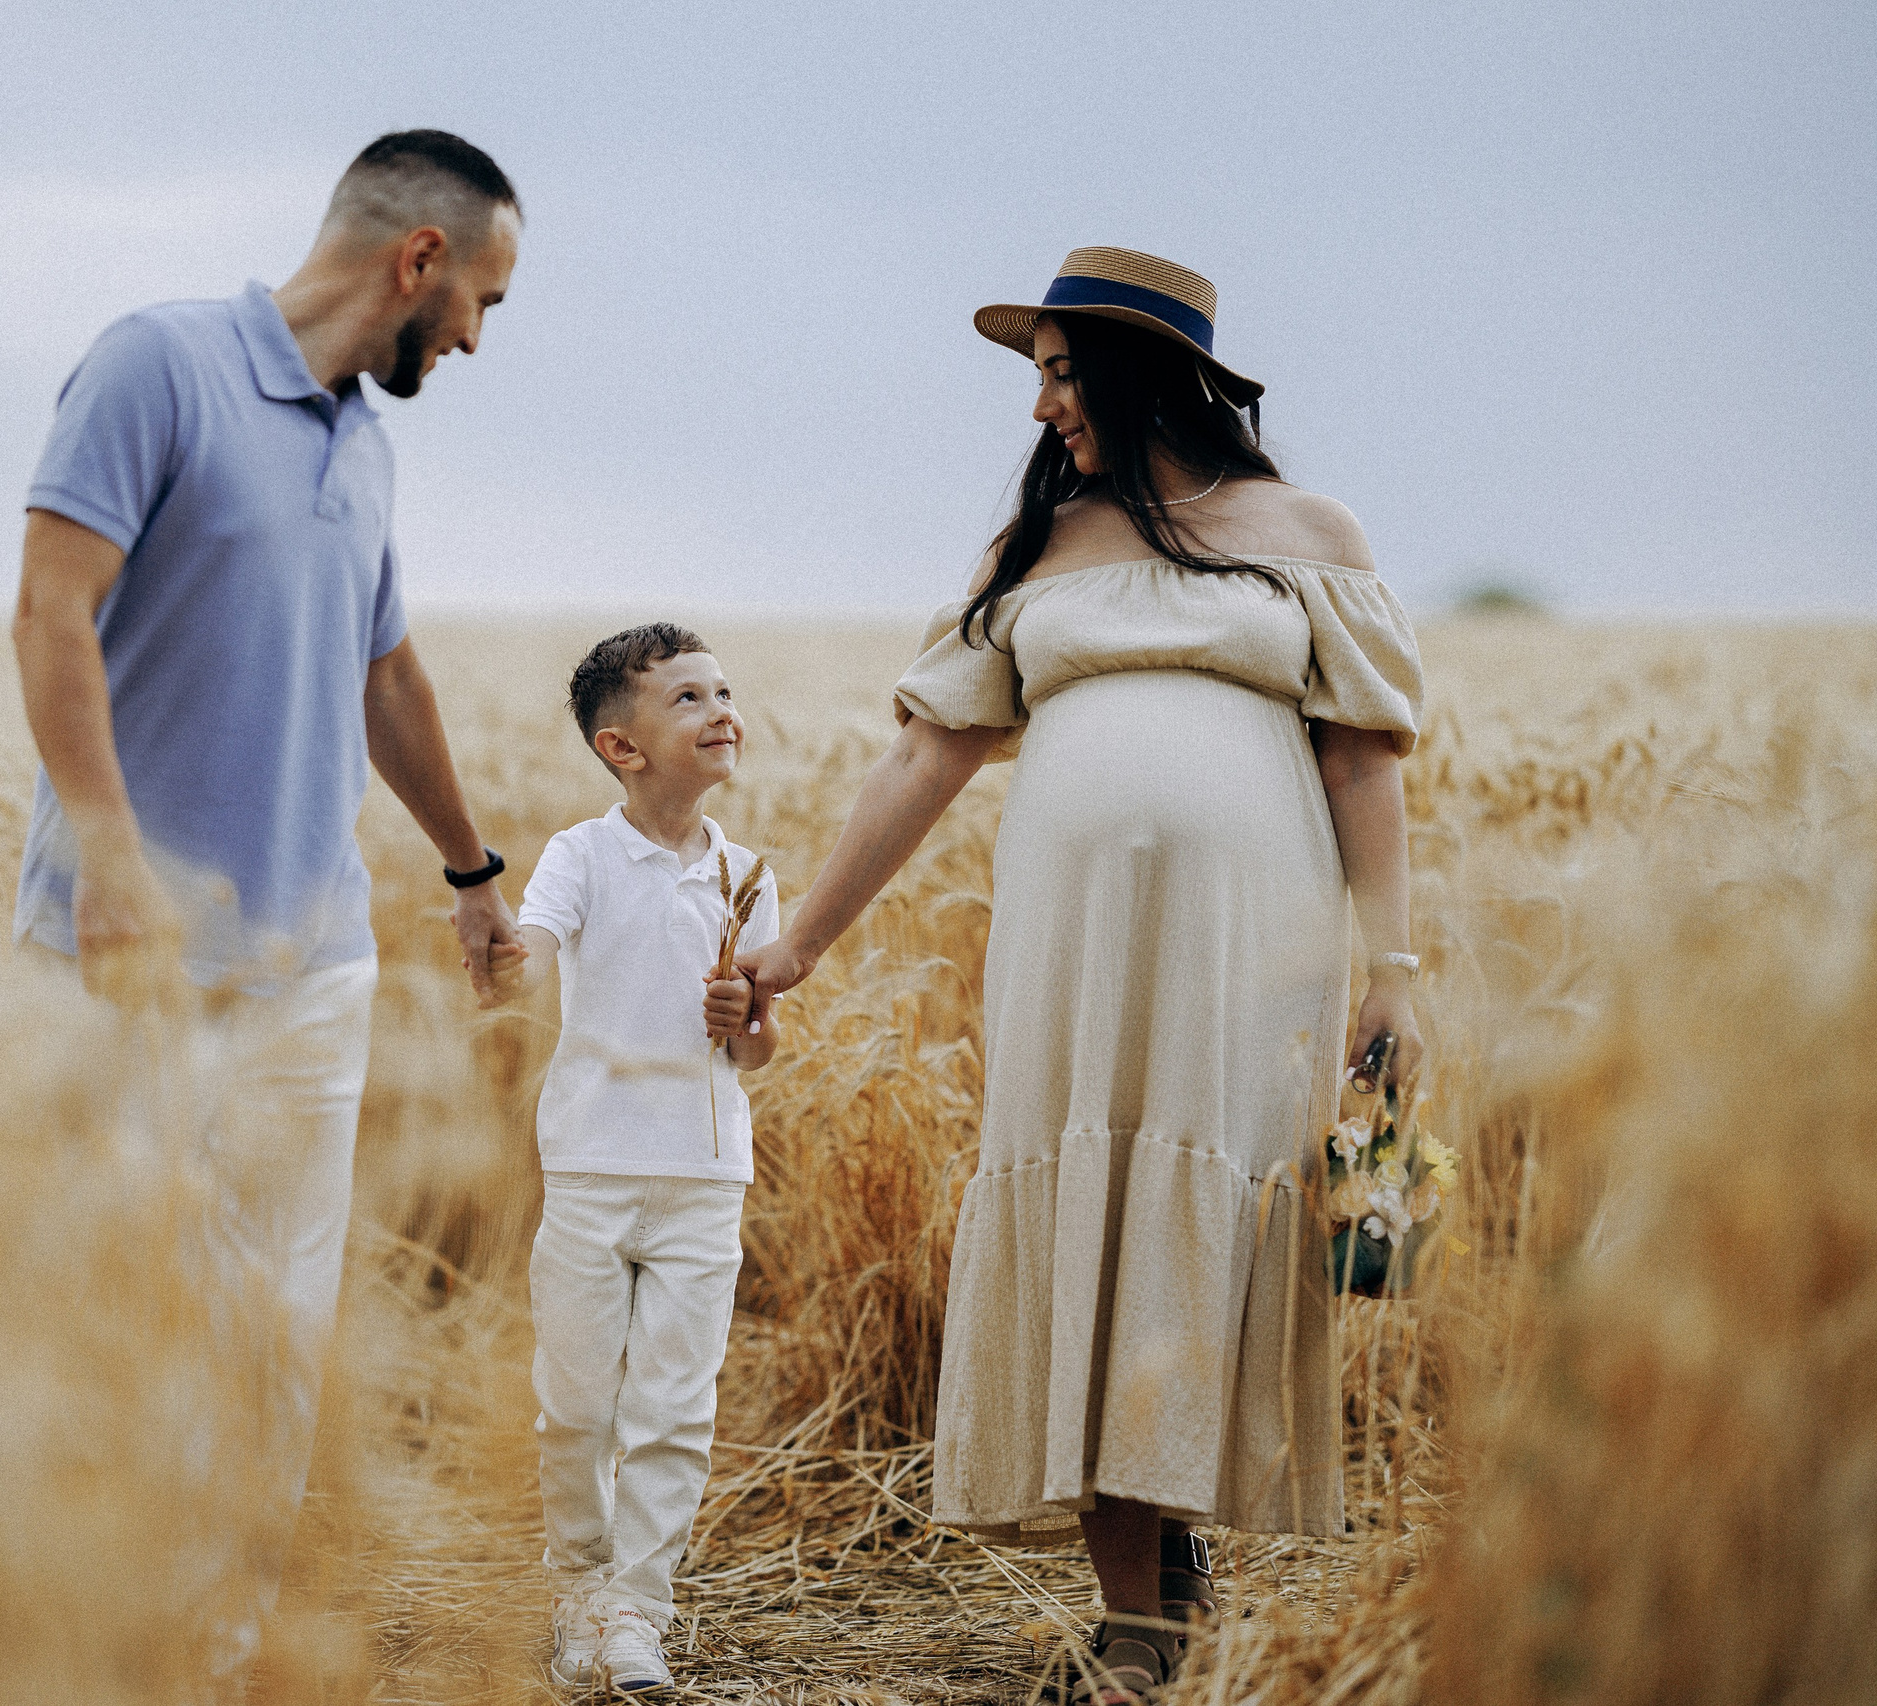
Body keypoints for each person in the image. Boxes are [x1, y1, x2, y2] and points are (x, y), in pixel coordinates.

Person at [736, 248, 1426, 1705]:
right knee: (1090, 1201)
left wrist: (1396, 971)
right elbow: (924, 756)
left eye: (1059, 373)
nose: (1041, 405)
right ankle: (1137, 1616)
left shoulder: (1308, 532)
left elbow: (1363, 760)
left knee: (1202, 1195)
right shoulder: (1037, 547)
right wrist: (797, 945)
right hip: (1072, 943)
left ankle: (1169, 1559)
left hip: (1252, 944)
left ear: (1139, 374)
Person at [6, 129, 524, 1662]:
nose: (478, 339)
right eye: (482, 300)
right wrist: (110, 858)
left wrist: (472, 871)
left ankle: (221, 1651)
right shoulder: (157, 367)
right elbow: (49, 611)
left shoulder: (365, 439)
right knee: (121, 1314)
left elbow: (387, 674)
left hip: (318, 967)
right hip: (129, 959)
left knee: (281, 1338)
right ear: (418, 258)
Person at [474, 624, 781, 1692]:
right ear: (622, 747)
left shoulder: (747, 875)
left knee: (675, 1407)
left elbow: (759, 1047)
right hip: (591, 1169)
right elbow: (537, 947)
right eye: (688, 697)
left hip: (704, 1176)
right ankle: (579, 1590)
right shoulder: (581, 855)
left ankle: (638, 1609)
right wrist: (506, 958)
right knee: (574, 1404)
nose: (720, 709)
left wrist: (745, 1016)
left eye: (723, 690)